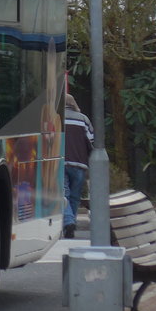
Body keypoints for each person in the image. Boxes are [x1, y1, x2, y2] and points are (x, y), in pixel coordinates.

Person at [62, 93, 94, 239]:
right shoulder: (83, 119)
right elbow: (91, 141)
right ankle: (71, 222)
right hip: (80, 163)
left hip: (61, 162)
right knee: (75, 196)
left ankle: (68, 222)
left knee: (64, 194)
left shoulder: (57, 117)